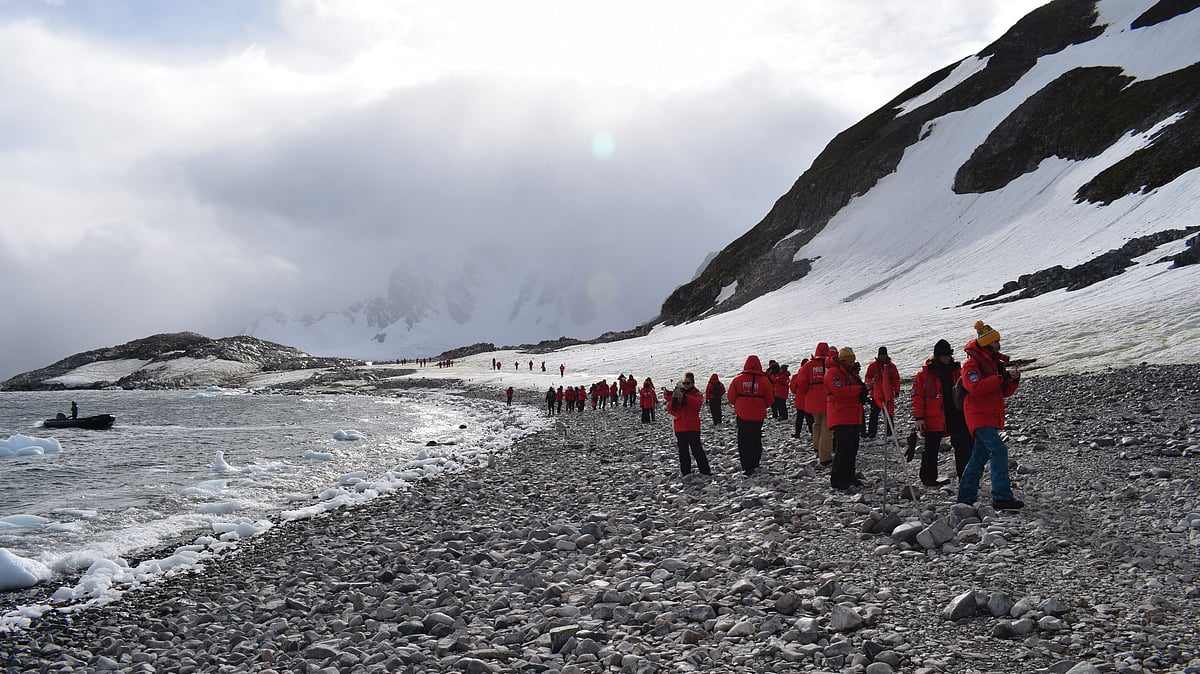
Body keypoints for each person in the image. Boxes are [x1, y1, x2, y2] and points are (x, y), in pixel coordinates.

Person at [957, 320, 1025, 510]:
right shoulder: (971, 364)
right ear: (987, 344)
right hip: (978, 415)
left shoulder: (994, 364)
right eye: (995, 342)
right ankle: (1002, 497)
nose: (999, 344)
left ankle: (965, 498)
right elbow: (975, 388)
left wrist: (1012, 380)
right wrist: (1001, 378)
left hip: (988, 414)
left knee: (978, 457)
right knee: (999, 450)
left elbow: (1002, 391)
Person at [911, 339, 973, 484]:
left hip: (956, 413)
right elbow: (917, 396)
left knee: (963, 446)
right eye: (944, 355)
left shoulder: (957, 370)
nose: (947, 358)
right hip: (934, 416)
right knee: (931, 448)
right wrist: (919, 417)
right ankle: (928, 478)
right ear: (937, 356)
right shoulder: (924, 374)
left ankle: (964, 477)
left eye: (948, 355)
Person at [825, 347, 868, 490]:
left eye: (853, 360)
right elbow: (840, 391)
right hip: (841, 414)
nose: (851, 363)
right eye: (849, 360)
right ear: (842, 360)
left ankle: (849, 476)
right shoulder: (833, 373)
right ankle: (838, 480)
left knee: (852, 448)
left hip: (852, 414)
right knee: (843, 449)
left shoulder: (849, 373)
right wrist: (860, 389)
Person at [728, 355, 773, 475]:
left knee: (743, 440)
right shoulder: (764, 380)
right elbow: (770, 399)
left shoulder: (737, 379)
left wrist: (740, 405)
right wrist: (760, 405)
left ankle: (747, 466)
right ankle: (755, 462)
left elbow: (731, 397)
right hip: (758, 414)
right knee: (756, 438)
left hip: (742, 414)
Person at [664, 372, 711, 476]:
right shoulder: (679, 394)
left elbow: (697, 405)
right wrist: (675, 398)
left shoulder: (697, 394)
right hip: (680, 427)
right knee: (683, 452)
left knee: (697, 450)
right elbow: (671, 410)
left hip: (692, 426)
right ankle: (685, 472)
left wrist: (684, 397)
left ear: (693, 383)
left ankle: (705, 471)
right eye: (684, 383)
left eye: (688, 383)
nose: (686, 385)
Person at [795, 343, 834, 465]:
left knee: (816, 424)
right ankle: (825, 456)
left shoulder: (808, 365)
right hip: (828, 399)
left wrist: (809, 392)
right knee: (827, 429)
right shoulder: (831, 364)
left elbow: (801, 383)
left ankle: (817, 447)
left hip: (812, 400)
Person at [865, 347, 901, 438]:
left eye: (884, 355)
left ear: (886, 355)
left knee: (888, 412)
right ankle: (872, 432)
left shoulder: (891, 366)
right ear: (878, 355)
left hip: (888, 393)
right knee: (874, 412)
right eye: (881, 355)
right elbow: (867, 377)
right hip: (876, 393)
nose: (883, 357)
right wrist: (870, 383)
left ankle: (890, 431)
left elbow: (896, 379)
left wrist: (897, 390)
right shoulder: (873, 366)